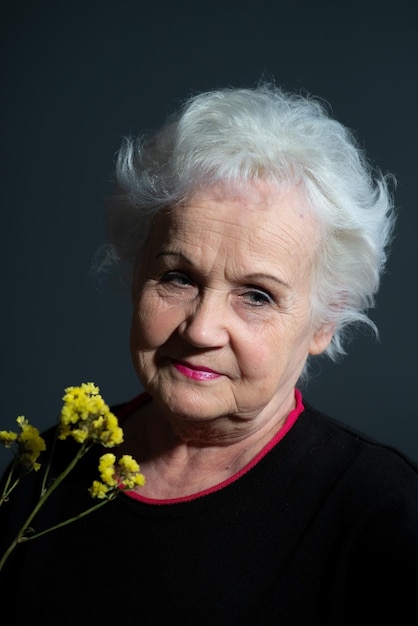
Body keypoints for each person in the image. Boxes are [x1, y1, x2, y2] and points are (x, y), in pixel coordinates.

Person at [1, 82, 417, 624]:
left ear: (324, 323)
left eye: (257, 295)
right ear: (136, 275)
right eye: (177, 277)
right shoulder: (50, 467)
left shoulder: (384, 514)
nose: (201, 329)